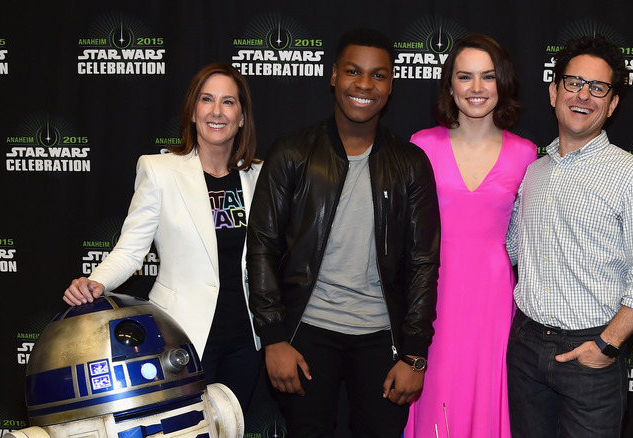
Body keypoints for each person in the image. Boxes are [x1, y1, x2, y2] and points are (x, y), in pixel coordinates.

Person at [246, 28, 441, 437]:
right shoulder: (292, 152)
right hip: (306, 334)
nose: (365, 85)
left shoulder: (410, 163)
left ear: (391, 84)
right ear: (334, 75)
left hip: (380, 338)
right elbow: (262, 245)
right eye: (353, 71)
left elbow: (423, 263)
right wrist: (274, 338)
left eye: (378, 75)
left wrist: (415, 355)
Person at [62, 63, 264, 410]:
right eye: (207, 99)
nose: (217, 111)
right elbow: (131, 251)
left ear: (242, 117)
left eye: (228, 102)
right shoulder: (159, 170)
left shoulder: (259, 176)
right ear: (193, 111)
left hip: (246, 341)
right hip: (181, 336)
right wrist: (95, 283)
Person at [505, 35, 633, 437]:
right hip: (525, 346)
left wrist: (605, 346)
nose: (584, 95)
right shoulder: (534, 171)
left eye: (598, 87)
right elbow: (511, 248)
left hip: (589, 355)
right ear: (553, 91)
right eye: (574, 82)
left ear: (612, 103)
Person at [404, 34, 537, 438]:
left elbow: (526, 236)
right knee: (436, 393)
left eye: (488, 77)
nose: (476, 89)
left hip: (494, 299)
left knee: (486, 394)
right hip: (434, 292)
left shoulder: (526, 153)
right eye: (465, 77)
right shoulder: (421, 145)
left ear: (504, 84)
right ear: (450, 85)